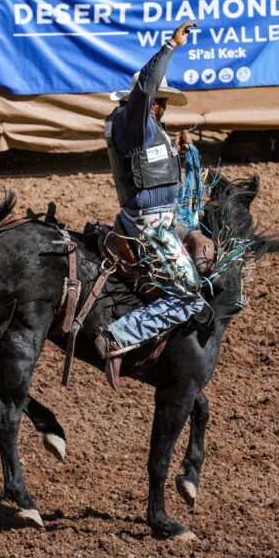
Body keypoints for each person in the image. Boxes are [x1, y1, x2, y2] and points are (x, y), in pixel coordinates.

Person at [95, 21, 206, 364]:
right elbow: (145, 88)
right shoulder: (133, 121)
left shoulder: (147, 130)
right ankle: (117, 336)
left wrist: (180, 152)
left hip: (164, 217)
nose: (159, 108)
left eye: (162, 104)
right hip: (150, 226)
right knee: (190, 299)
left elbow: (152, 167)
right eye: (156, 102)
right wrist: (171, 46)